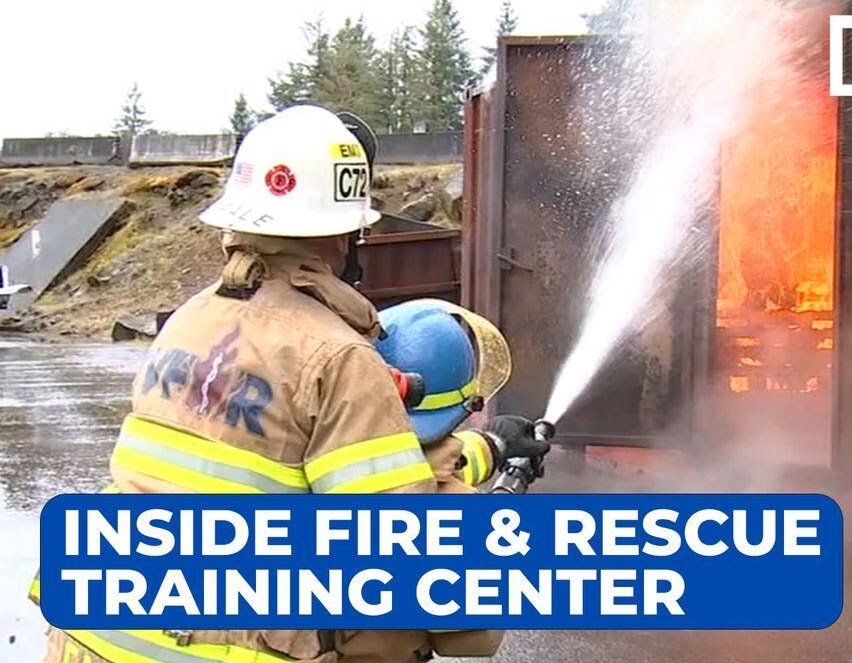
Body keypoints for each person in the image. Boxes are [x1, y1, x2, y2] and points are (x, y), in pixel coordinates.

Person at [36, 104, 546, 663]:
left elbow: (285, 469)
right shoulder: (338, 357)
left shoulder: (192, 318)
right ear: (346, 233)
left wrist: (488, 448)